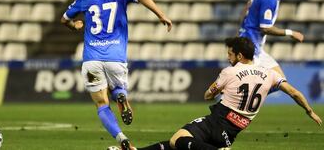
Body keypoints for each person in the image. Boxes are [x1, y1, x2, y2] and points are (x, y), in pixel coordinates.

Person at [124, 37, 322, 150]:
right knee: (178, 143)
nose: (228, 58)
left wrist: (218, 89)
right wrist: (309, 111)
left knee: (178, 140)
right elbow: (295, 93)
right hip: (233, 131)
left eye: (230, 54)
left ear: (239, 56)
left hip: (218, 122)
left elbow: (207, 96)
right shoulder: (270, 74)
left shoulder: (229, 72)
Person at [60, 0, 172, 150]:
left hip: (91, 60)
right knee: (117, 89)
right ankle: (120, 94)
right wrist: (161, 15)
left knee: (102, 104)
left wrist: (75, 25)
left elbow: (64, 19)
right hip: (116, 57)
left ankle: (122, 139)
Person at [238, 0, 304, 84]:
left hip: (255, 47)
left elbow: (249, 3)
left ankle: (252, 99)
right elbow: (265, 28)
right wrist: (290, 33)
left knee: (281, 82)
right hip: (251, 49)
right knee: (250, 89)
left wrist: (242, 28)